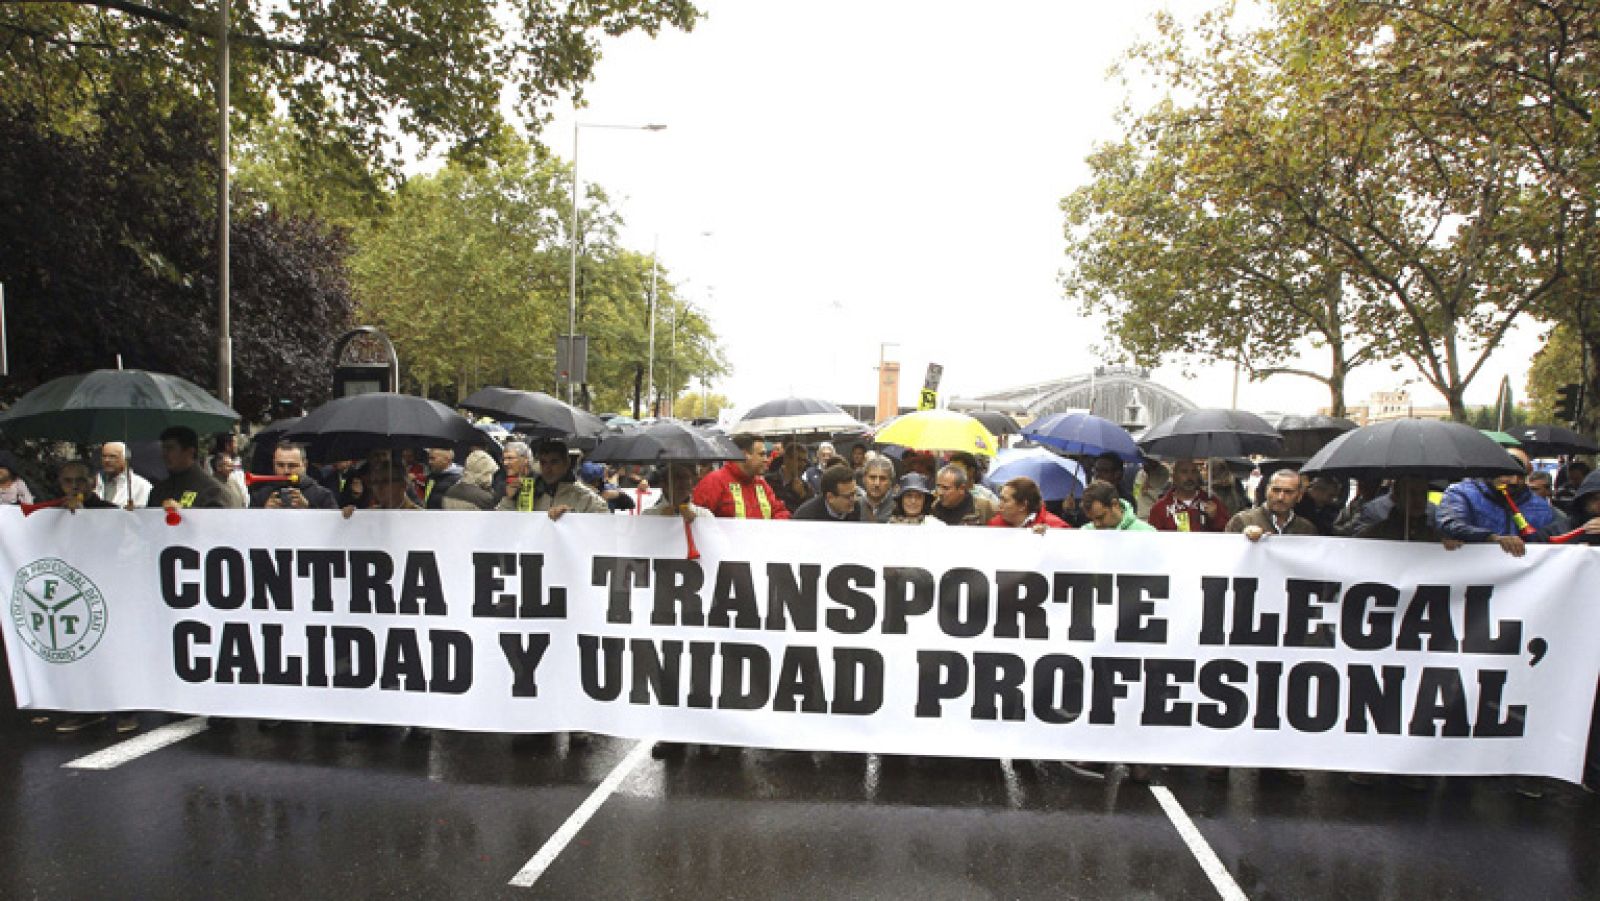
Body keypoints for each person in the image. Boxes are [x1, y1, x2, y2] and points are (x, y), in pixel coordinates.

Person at [1437, 447, 1556, 557]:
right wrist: (1491, 538)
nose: (1514, 481)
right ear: (1493, 469)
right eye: (1508, 473)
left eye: (1520, 475)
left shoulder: (1541, 507)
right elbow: (1451, 525)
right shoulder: (1462, 493)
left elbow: (1552, 541)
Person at [498, 440, 608, 518]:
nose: (548, 469)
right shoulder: (530, 490)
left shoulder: (586, 496)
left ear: (567, 463)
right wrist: (510, 498)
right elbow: (500, 521)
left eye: (554, 462)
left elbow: (603, 525)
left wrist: (573, 517)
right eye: (543, 462)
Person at [692, 434, 791, 520]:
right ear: (745, 454)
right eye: (762, 454)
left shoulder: (761, 484)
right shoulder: (714, 482)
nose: (766, 459)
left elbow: (779, 511)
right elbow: (697, 518)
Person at [1354, 476, 1453, 544]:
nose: (1419, 500)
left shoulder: (1435, 538)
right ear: (1396, 495)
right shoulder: (1375, 534)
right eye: (1411, 493)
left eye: (1423, 493)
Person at [147, 426, 226, 510]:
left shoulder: (211, 490)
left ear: (190, 452)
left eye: (170, 448)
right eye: (163, 449)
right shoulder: (158, 491)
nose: (164, 454)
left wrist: (185, 513)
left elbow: (217, 521)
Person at [1226, 469, 1318, 541]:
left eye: (1288, 492)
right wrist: (1244, 537)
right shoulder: (1242, 520)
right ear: (1267, 491)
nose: (1280, 497)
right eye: (1276, 490)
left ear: (1299, 496)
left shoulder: (1307, 529)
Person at [1147, 459, 1228, 532]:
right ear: (1174, 476)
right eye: (1184, 472)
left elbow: (1227, 532)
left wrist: (1215, 517)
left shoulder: (1212, 502)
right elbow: (1153, 540)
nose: (1190, 477)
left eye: (1194, 471)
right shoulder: (1160, 508)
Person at [249, 444, 338, 509]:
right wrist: (263, 513)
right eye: (280, 465)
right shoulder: (261, 495)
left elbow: (332, 529)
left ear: (305, 465)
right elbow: (248, 528)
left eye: (292, 465)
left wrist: (309, 509)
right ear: (273, 464)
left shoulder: (323, 496)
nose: (286, 471)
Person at [988, 476, 1068, 532]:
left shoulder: (1056, 527)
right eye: (1000, 498)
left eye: (1005, 500)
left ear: (1023, 505)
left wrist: (1050, 537)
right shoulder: (995, 524)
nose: (999, 505)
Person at [930, 463, 995, 526]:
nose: (940, 492)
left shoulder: (983, 507)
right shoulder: (933, 508)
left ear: (961, 489)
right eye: (938, 486)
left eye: (946, 488)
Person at [792, 464, 862, 522]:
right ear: (830, 497)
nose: (854, 499)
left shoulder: (855, 507)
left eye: (855, 493)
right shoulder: (805, 517)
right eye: (848, 496)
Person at [643, 462, 712, 520]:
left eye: (686, 477)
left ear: (693, 483)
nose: (683, 482)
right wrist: (660, 522)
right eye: (677, 476)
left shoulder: (704, 515)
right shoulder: (648, 516)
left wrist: (697, 524)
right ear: (664, 484)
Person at [1079, 479, 1155, 531]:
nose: (1096, 524)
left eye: (1100, 517)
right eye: (1092, 519)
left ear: (1115, 504)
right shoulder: (1085, 533)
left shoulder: (1145, 532)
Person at [96, 442, 152, 509]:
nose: (107, 460)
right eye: (104, 456)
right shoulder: (95, 482)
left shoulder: (141, 486)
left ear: (125, 459)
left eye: (112, 456)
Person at [855, 456, 897, 523]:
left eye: (883, 478)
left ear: (890, 482)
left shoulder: (898, 507)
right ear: (864, 479)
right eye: (872, 477)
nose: (877, 483)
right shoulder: (854, 506)